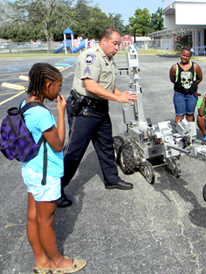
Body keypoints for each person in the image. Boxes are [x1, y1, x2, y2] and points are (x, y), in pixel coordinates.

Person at [58, 29, 137, 208]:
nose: (117, 48)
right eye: (115, 44)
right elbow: (91, 86)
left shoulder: (107, 58)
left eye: (119, 44)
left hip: (100, 109)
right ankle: (56, 191)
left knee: (106, 146)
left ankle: (111, 179)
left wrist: (121, 94)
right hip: (85, 110)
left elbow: (107, 84)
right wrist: (118, 98)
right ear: (103, 41)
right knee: (74, 152)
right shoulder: (91, 56)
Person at [22, 63, 86, 273]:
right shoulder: (42, 114)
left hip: (31, 169)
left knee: (33, 217)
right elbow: (58, 144)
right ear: (47, 85)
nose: (60, 90)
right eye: (58, 86)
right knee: (46, 220)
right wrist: (60, 112)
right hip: (45, 174)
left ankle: (41, 261)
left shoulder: (26, 104)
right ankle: (58, 262)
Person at [169, 48, 203, 124]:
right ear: (180, 54)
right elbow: (173, 79)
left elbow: (199, 78)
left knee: (190, 114)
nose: (185, 57)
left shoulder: (195, 66)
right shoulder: (175, 67)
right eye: (183, 55)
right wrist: (182, 86)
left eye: (187, 56)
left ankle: (190, 134)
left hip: (192, 95)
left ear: (190, 57)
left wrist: (191, 86)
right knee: (180, 115)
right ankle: (180, 133)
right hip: (179, 95)